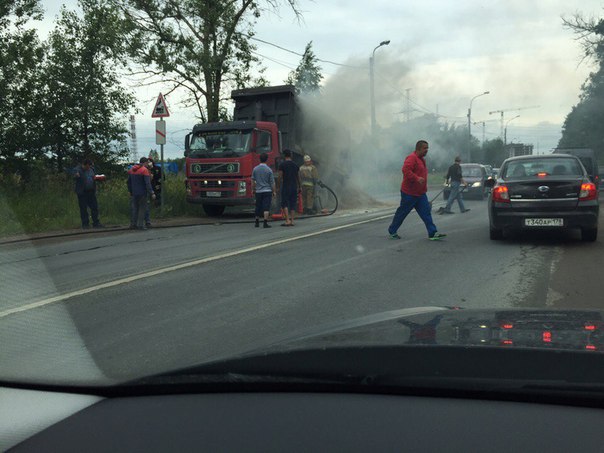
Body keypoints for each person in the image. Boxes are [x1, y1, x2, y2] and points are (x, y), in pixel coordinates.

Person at [387, 140, 446, 241]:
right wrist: (416, 178)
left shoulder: (422, 160)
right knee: (402, 213)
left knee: (426, 213)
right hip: (409, 193)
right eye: (425, 148)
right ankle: (392, 231)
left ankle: (433, 233)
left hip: (420, 194)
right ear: (418, 148)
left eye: (427, 148)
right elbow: (405, 170)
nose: (427, 150)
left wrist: (424, 188)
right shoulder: (411, 158)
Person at [72, 158, 103, 229]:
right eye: (88, 166)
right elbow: (74, 174)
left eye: (90, 166)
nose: (89, 168)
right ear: (84, 165)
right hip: (82, 192)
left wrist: (98, 178)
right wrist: (76, 175)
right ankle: (85, 224)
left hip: (91, 191)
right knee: (83, 209)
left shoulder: (92, 170)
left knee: (94, 207)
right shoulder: (78, 170)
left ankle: (96, 222)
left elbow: (94, 177)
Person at [127, 157, 156, 230]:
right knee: (142, 209)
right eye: (147, 163)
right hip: (142, 193)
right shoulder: (144, 170)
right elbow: (147, 183)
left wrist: (130, 191)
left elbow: (128, 182)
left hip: (134, 193)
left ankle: (133, 224)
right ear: (145, 163)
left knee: (134, 209)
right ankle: (140, 225)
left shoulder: (131, 170)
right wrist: (152, 192)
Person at [251, 153, 276, 228]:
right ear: (267, 159)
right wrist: (274, 191)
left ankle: (257, 222)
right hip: (267, 191)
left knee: (258, 206)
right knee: (266, 207)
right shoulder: (269, 170)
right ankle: (265, 222)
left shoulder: (255, 169)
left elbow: (253, 180)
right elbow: (272, 182)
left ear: (260, 159)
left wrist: (253, 189)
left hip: (258, 191)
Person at [278, 149, 301, 226]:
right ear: (291, 155)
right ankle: (292, 220)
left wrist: (277, 186)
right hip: (294, 186)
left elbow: (280, 177)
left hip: (286, 186)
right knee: (293, 203)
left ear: (284, 156)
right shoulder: (295, 165)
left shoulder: (282, 165)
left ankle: (287, 220)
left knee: (284, 203)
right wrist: (299, 186)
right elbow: (298, 177)